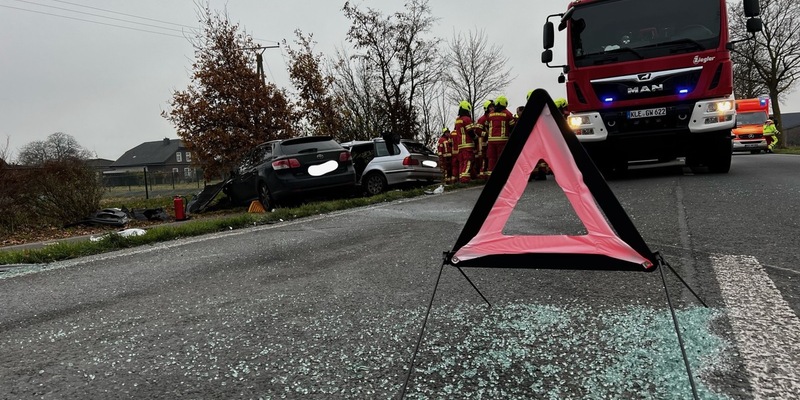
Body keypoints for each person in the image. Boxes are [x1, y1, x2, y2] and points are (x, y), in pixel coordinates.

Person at [485, 95, 515, 178]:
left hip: (491, 140)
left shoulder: (490, 114)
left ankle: (491, 176)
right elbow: (512, 127)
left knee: (491, 158)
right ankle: (501, 176)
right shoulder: (507, 114)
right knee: (501, 159)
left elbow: (486, 125)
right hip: (503, 140)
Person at [454, 100, 475, 184]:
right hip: (467, 143)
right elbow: (470, 131)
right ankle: (465, 178)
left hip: (460, 145)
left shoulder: (457, 120)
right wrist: (475, 138)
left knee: (462, 162)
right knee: (468, 161)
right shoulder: (467, 119)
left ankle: (461, 177)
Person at [474, 100, 494, 179]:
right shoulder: (482, 119)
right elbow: (477, 130)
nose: (492, 108)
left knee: (490, 157)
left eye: (493, 107)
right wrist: (486, 134)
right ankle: (482, 174)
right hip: (483, 142)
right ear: (486, 108)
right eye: (490, 107)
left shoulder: (493, 116)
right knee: (483, 157)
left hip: (491, 141)